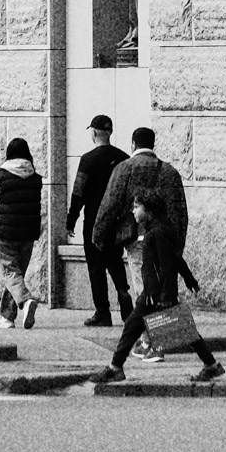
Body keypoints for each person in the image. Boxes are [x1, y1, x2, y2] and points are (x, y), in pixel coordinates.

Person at [88, 191, 223, 384]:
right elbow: (176, 259)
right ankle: (211, 364)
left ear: (149, 210)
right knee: (179, 329)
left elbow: (166, 265)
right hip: (157, 293)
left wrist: (163, 295)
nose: (133, 211)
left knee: (135, 327)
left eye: (137, 207)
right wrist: (188, 279)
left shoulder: (156, 233)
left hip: (155, 294)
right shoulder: (160, 229)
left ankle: (115, 368)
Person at [91, 126, 188, 303]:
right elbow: (179, 211)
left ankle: (147, 316)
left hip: (136, 236)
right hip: (165, 238)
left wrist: (98, 234)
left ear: (133, 144)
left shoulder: (124, 168)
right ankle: (164, 315)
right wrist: (178, 243)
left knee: (143, 285)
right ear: (153, 144)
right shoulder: (169, 171)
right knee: (165, 286)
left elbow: (110, 204)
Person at [66, 115, 132, 327]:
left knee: (96, 266)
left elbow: (79, 192)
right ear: (110, 132)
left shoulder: (88, 159)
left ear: (94, 133)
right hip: (116, 220)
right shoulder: (123, 158)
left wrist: (71, 219)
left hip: (93, 220)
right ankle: (123, 292)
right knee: (115, 260)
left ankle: (102, 312)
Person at [0, 137, 43, 330]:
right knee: (16, 274)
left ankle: (25, 301)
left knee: (10, 272)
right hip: (28, 232)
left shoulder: (1, 176)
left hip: (5, 231)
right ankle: (7, 317)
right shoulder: (35, 178)